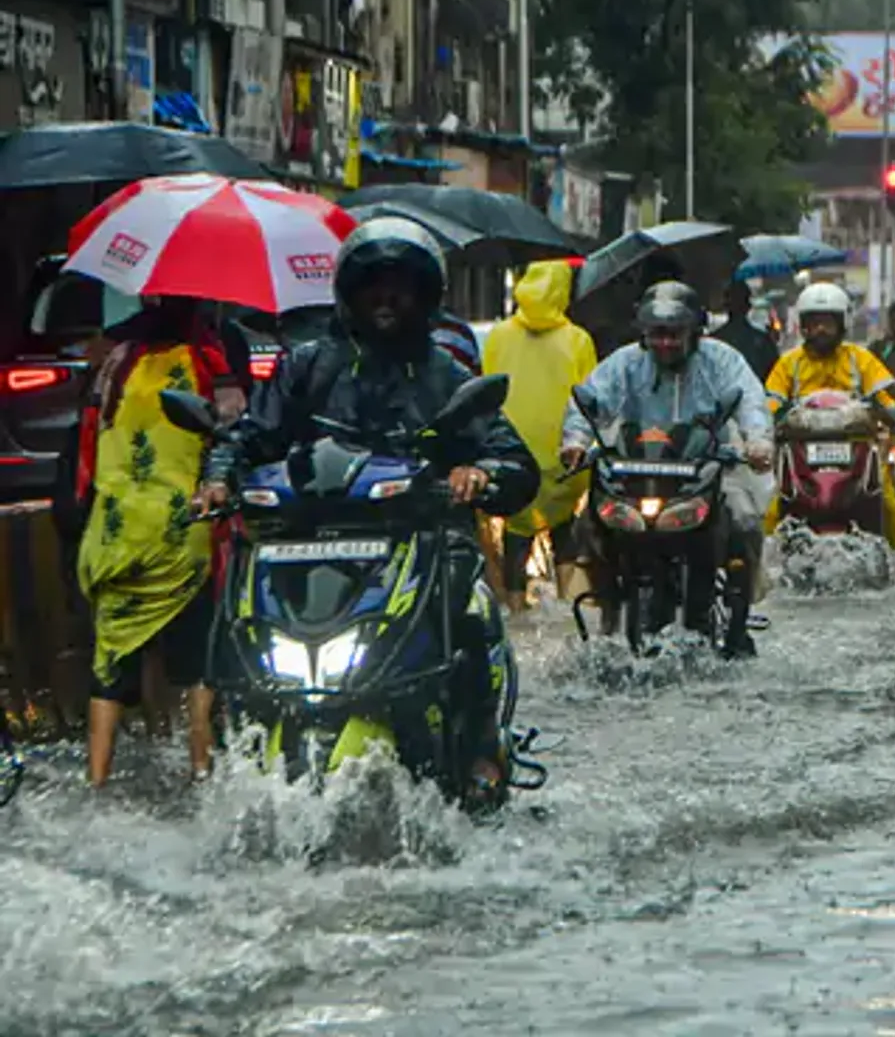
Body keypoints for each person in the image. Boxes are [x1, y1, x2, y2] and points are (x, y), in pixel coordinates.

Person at [192, 217, 540, 803]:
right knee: (232, 615)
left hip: (420, 544)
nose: (387, 297)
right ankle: (223, 743)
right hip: (304, 546)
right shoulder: (306, 365)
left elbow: (514, 461)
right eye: (374, 284)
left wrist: (479, 474)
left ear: (425, 296)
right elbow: (249, 435)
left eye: (402, 286)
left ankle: (481, 751)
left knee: (474, 606)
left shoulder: (446, 374)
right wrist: (219, 479)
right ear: (349, 291)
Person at [77, 295, 246, 787]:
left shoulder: (115, 357)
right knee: (197, 663)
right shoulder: (213, 355)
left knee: (111, 659)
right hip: (183, 531)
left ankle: (96, 781)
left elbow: (89, 439)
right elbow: (234, 432)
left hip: (116, 533)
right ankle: (201, 770)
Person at [558, 280, 773, 657]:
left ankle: (739, 618)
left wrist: (756, 441)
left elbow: (750, 400)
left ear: (695, 332)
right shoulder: (624, 364)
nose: (665, 343)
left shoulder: (722, 361)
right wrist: (575, 441)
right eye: (657, 334)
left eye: (674, 334)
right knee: (589, 524)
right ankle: (607, 607)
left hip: (708, 469)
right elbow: (589, 400)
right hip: (635, 472)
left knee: (744, 522)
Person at [766, 281, 895, 563]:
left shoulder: (859, 358)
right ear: (803, 326)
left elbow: (884, 393)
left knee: (890, 505)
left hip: (857, 447)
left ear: (842, 324)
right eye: (814, 324)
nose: (821, 330)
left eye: (828, 323)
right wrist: (769, 419)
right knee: (773, 506)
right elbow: (770, 401)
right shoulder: (789, 363)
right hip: (799, 451)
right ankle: (763, 566)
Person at [482, 259, 597, 612]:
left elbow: (486, 388)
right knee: (564, 529)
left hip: (513, 452)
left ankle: (516, 610)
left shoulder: (499, 336)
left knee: (517, 533)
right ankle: (570, 609)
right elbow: (592, 398)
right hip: (563, 453)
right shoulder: (577, 340)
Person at [711, 280, 779, 382]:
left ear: (725, 306)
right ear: (748, 307)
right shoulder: (763, 341)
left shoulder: (714, 341)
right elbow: (775, 377)